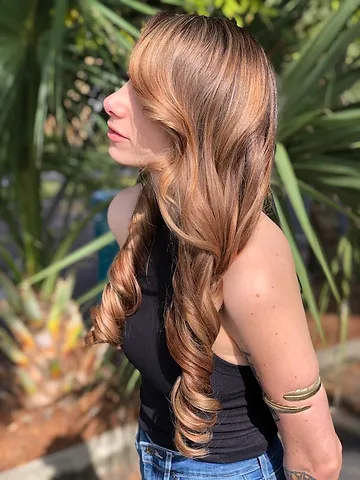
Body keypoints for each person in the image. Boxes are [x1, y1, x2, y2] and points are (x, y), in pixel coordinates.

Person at [85, 12, 342, 480]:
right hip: (152, 455)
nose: (111, 102)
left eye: (142, 94)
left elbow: (318, 458)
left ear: (196, 115)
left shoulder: (251, 262)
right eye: (126, 82)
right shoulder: (129, 216)